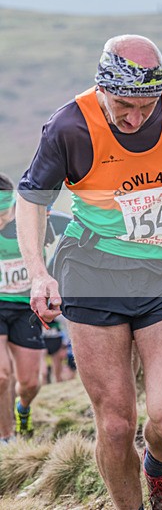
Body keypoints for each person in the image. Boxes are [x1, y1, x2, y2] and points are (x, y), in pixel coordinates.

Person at [16, 35, 162, 510]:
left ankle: (157, 466)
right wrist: (38, 272)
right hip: (93, 269)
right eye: (123, 106)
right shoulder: (70, 127)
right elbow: (31, 197)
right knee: (115, 425)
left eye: (145, 106)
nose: (135, 118)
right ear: (102, 89)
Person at [0, 174, 65, 441]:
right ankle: (6, 439)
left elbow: (71, 227)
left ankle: (22, 409)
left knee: (29, 383)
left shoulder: (33, 218)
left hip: (26, 307)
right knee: (1, 377)